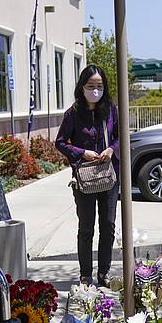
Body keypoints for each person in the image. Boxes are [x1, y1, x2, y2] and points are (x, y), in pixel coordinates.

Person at [55, 64, 120, 287]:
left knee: (108, 225)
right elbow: (60, 142)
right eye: (91, 85)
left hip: (109, 177)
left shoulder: (111, 110)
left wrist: (111, 150)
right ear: (82, 86)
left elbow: (120, 137)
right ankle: (86, 273)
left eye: (99, 86)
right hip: (84, 179)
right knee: (86, 227)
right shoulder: (73, 113)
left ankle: (104, 272)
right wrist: (83, 153)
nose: (95, 90)